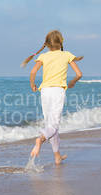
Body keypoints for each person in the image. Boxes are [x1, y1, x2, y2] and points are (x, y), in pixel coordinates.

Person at [21, 30, 83, 164]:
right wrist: (72, 82)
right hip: (57, 92)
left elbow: (33, 71)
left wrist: (32, 85)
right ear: (61, 42)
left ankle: (57, 156)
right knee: (53, 126)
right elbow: (79, 74)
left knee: (51, 125)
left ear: (46, 44)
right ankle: (40, 139)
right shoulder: (66, 55)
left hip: (45, 92)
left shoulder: (43, 56)